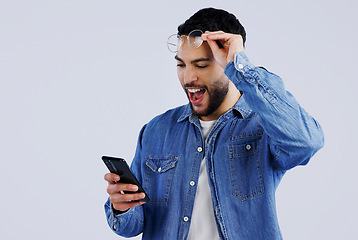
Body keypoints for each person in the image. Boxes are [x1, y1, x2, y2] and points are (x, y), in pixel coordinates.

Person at [104, 7, 324, 240]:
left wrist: (241, 67)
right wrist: (122, 207)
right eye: (181, 65)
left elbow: (307, 142)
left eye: (201, 65)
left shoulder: (263, 125)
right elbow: (133, 225)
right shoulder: (157, 130)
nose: (189, 78)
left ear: (227, 62)